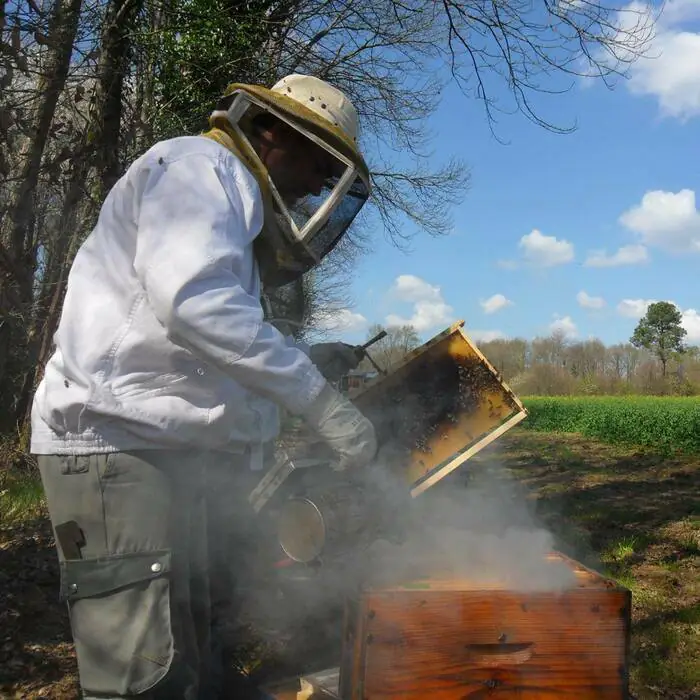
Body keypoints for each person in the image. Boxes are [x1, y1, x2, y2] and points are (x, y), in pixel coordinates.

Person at [30, 73, 378, 700]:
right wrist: (318, 400)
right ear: (273, 132)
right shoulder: (200, 170)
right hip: (120, 448)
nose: (321, 185)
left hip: (164, 455)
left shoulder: (227, 202)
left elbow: (215, 346)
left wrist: (301, 364)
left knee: (191, 660)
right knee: (146, 677)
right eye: (322, 162)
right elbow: (196, 305)